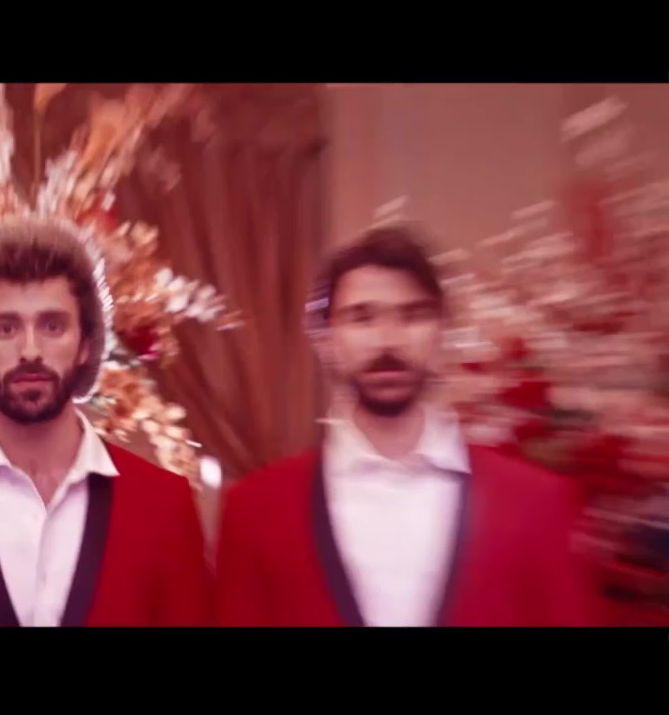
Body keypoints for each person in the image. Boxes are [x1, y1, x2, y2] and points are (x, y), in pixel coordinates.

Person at [216, 225, 602, 627]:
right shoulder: (255, 510)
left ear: (442, 331)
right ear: (326, 338)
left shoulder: (537, 503)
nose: (388, 340)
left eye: (413, 315)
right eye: (361, 317)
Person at [0, 218, 211, 627]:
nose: (30, 350)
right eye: (6, 328)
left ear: (85, 345)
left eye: (52, 326)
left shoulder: (164, 507)